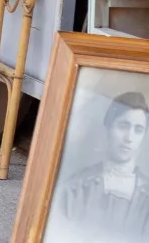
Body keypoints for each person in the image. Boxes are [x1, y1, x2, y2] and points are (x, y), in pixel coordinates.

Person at [53, 91, 149, 240]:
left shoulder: (146, 196)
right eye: (123, 126)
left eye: (138, 130)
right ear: (109, 128)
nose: (129, 138)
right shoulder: (76, 187)